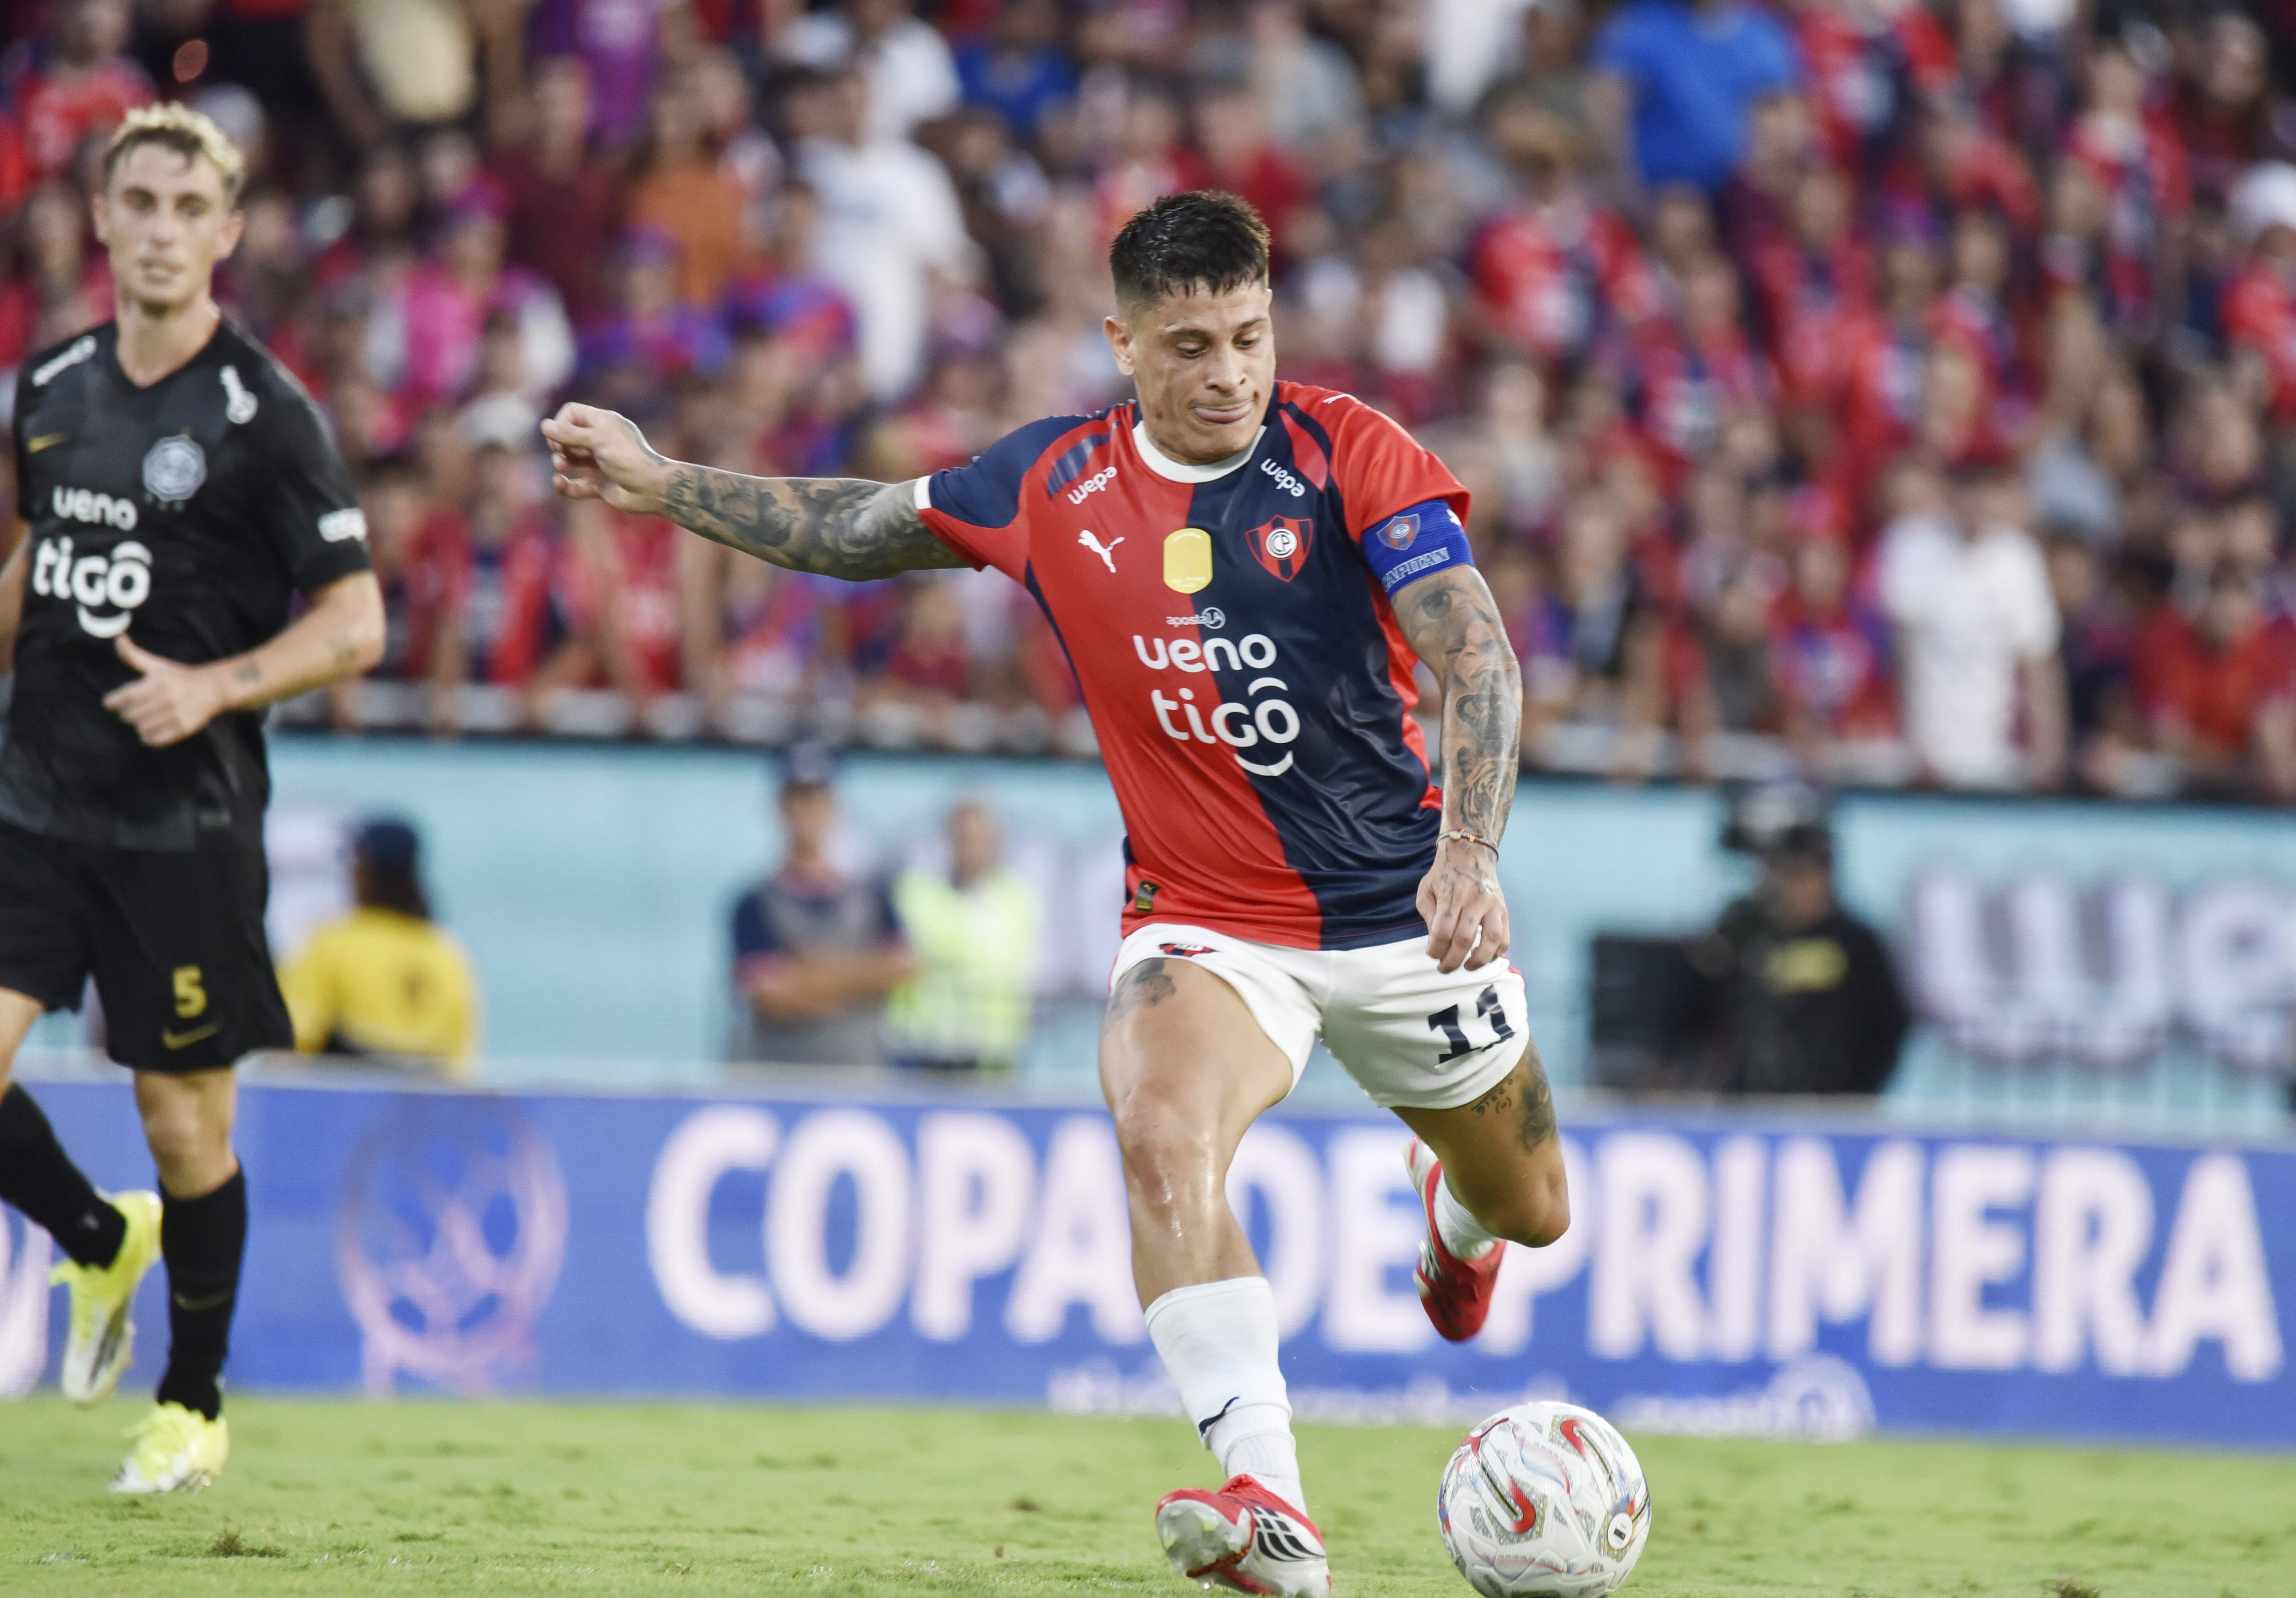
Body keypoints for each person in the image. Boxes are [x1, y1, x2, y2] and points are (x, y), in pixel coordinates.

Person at [544, 190, 1567, 1597]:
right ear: (1123, 343)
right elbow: (857, 525)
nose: (1229, 373)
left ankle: (1451, 1216)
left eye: (1250, 336)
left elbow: (1478, 654)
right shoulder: (1053, 484)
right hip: (1206, 923)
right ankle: (1270, 1503)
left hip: (1407, 912)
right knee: (1161, 1134)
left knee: (1533, 1206)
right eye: (1191, 345)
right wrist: (663, 482)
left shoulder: (1348, 452)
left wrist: (1471, 851)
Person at [0, 106, 385, 1492]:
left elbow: (356, 623)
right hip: (35, 798)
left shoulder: (268, 418)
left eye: (188, 208)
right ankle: (99, 1239)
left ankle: (191, 1401)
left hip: (184, 825)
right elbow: (39, 562)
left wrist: (215, 686)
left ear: (226, 233)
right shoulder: (48, 384)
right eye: (140, 203)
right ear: (101, 221)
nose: (162, 230)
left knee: (184, 1127)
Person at [1697, 785, 1910, 1096]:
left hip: (1830, 1107)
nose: (1780, 886)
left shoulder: (1857, 943)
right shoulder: (1744, 935)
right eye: (1772, 872)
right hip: (1747, 1105)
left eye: (1795, 874)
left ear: (1824, 875)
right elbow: (1702, 1010)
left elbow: (1889, 1026)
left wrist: (1857, 1094)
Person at [726, 744, 912, 1069]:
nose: (806, 811)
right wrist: (864, 978)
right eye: (797, 798)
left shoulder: (873, 895)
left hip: (858, 1076)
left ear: (833, 806)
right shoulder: (753, 903)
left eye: (816, 798)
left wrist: (812, 972)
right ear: (780, 807)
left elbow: (902, 968)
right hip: (778, 1076)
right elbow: (770, 995)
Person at [277, 818, 481, 1074]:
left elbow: (289, 1050)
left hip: (345, 1098)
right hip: (425, 1099)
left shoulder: (331, 944)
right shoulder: (446, 953)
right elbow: (460, 1065)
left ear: (365, 870)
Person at [885, 799, 1041, 1072]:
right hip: (927, 1047)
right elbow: (916, 956)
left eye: (981, 839)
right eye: (965, 837)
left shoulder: (1017, 898)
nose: (972, 847)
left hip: (995, 1053)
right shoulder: (918, 891)